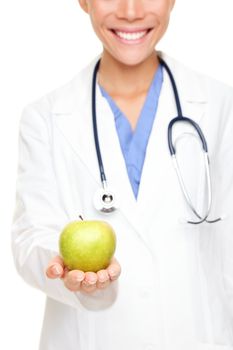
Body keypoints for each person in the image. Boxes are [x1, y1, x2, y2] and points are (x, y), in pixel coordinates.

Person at [12, 0, 233, 349]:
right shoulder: (45, 117)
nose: (131, 11)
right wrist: (66, 269)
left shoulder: (221, 104)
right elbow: (29, 238)